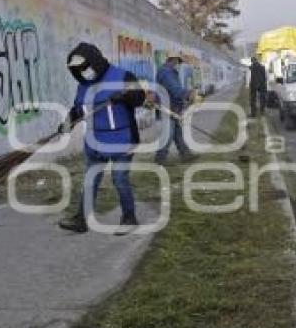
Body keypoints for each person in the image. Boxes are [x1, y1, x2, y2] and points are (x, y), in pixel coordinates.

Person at [58, 42, 146, 234]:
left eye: (84, 67)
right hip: (94, 143)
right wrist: (69, 122)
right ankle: (81, 219)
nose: (82, 72)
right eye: (77, 70)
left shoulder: (122, 76)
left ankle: (129, 218)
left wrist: (125, 95)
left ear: (95, 61)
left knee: (119, 179)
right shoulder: (83, 86)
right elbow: (78, 109)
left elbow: (140, 97)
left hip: (122, 140)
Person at [155, 56, 197, 165]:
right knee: (168, 134)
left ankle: (185, 154)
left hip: (173, 107)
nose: (178, 64)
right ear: (171, 60)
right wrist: (187, 94)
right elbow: (174, 89)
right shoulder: (166, 73)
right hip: (167, 107)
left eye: (179, 62)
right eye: (177, 62)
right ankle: (160, 159)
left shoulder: (170, 72)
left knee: (177, 133)